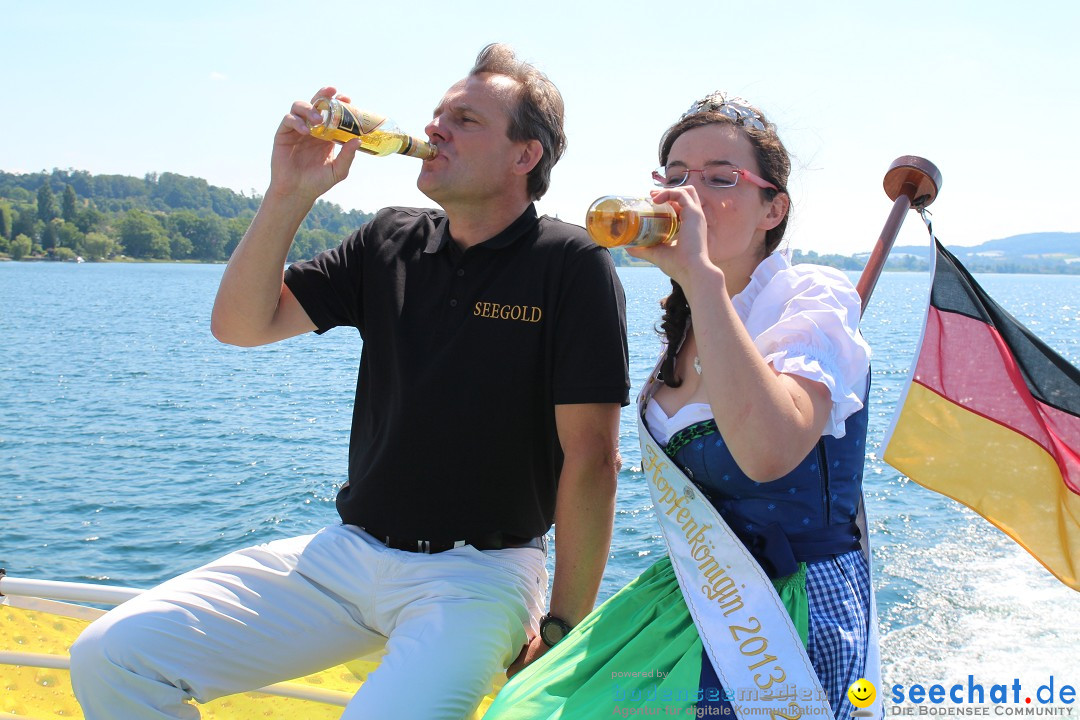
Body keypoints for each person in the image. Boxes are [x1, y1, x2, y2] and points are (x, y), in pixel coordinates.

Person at [69, 44, 629, 720]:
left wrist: (564, 628)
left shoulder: (571, 263)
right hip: (348, 554)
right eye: (437, 115)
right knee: (112, 656)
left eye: (466, 120)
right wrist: (290, 190)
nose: (436, 130)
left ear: (525, 156)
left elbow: (593, 458)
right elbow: (241, 325)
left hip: (477, 577)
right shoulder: (390, 240)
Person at [483, 92, 878, 720]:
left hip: (786, 617)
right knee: (521, 709)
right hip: (690, 593)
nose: (687, 196)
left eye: (721, 179)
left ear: (773, 209)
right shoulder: (689, 321)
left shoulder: (811, 300)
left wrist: (699, 276)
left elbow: (769, 453)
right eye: (675, 178)